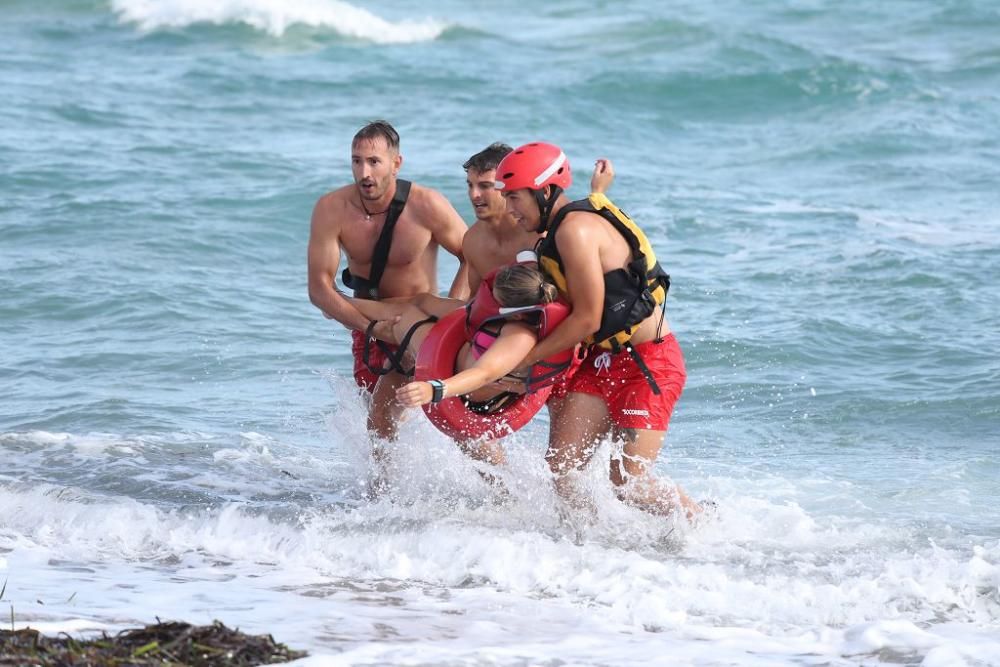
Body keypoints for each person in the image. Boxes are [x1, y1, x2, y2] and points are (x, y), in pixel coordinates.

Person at [494, 142, 702, 519]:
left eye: (514, 198)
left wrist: (525, 361)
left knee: (629, 484)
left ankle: (703, 523)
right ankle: (594, 548)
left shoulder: (574, 231)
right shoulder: (563, 226)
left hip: (648, 362)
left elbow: (587, 319)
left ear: (544, 192)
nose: (509, 210)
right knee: (562, 469)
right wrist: (599, 189)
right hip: (602, 361)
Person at [307, 120, 470, 479]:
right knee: (379, 422)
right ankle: (389, 503)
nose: (364, 172)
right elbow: (319, 288)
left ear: (396, 163)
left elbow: (473, 256)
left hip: (417, 324)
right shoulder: (331, 208)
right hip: (367, 324)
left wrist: (451, 316)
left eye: (374, 162)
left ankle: (502, 487)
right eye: (356, 161)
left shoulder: (426, 205)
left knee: (433, 415)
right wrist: (370, 327)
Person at [453, 143, 616, 465]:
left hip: (560, 350)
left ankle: (575, 511)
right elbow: (476, 305)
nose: (474, 195)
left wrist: (598, 194)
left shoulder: (543, 234)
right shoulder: (473, 240)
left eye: (486, 185)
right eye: (470, 185)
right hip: (510, 351)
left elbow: (593, 247)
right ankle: (506, 493)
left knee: (563, 463)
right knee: (459, 420)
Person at [345, 263, 565, 418]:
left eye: (492, 299)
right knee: (423, 303)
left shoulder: (518, 337)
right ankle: (345, 304)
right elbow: (424, 301)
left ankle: (352, 313)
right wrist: (341, 305)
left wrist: (436, 389)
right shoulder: (500, 317)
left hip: (468, 393)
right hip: (460, 357)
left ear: (515, 313)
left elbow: (484, 373)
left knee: (404, 320)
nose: (484, 300)